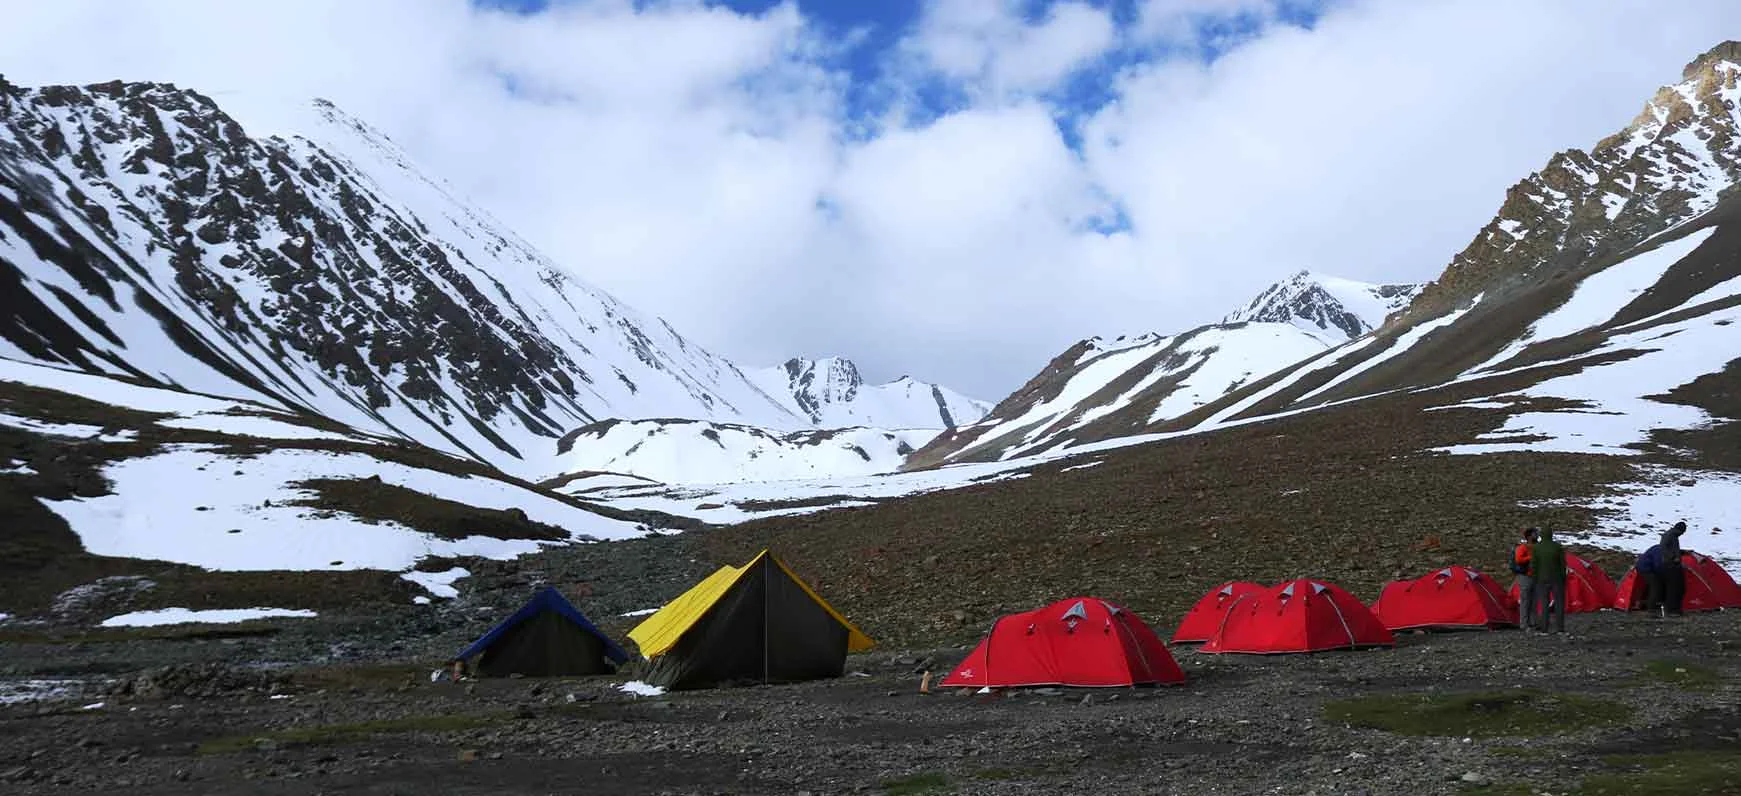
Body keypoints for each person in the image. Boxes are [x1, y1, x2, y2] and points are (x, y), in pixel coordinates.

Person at [1532, 528, 1568, 634]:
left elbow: (1534, 565)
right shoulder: (1557, 547)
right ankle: (1560, 628)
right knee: (1559, 604)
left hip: (1541, 579)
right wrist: (1563, 578)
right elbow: (1563, 565)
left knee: (1544, 604)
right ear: (1551, 535)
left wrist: (1535, 578)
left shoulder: (1536, 548)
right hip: (1557, 579)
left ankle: (1544, 629)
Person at [1510, 528, 1539, 631]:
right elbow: (1518, 559)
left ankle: (1533, 622)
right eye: (1535, 533)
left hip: (1535, 576)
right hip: (1525, 576)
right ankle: (1524, 624)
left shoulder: (1537, 547)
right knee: (1525, 600)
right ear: (1529, 536)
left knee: (1534, 600)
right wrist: (1530, 557)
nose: (1537, 535)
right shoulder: (1523, 547)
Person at [1660, 521, 1688, 617]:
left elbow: (1671, 549)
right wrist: (1673, 557)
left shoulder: (1673, 535)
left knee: (1678, 588)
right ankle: (1671, 611)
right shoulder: (1670, 535)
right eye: (1683, 531)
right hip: (1670, 565)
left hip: (1673, 565)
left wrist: (1682, 552)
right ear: (1680, 529)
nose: (1683, 534)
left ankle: (1675, 610)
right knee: (1673, 588)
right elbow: (1663, 548)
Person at [1636, 543, 1663, 612]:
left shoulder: (1659, 547)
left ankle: (1642, 603)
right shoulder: (1660, 550)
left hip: (1644, 567)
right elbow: (1658, 564)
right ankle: (1651, 608)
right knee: (1655, 586)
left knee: (1649, 586)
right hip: (1645, 569)